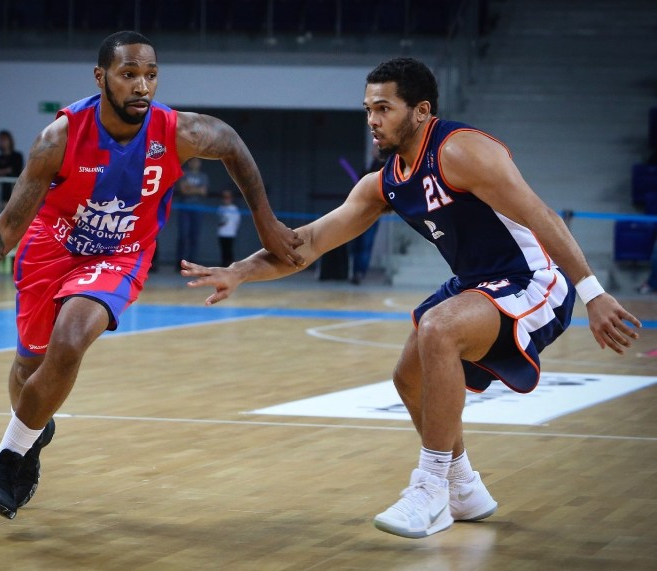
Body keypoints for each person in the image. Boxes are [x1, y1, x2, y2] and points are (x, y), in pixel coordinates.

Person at [182, 57, 641, 539]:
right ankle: (464, 486)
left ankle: (430, 489)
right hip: (477, 283)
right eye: (367, 109)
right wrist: (239, 271)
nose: (372, 120)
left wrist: (594, 293)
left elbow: (541, 214)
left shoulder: (463, 150)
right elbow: (306, 244)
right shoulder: (384, 183)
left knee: (439, 329)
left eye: (384, 108)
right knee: (408, 378)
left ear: (421, 111)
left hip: (533, 278)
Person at [0, 31, 303, 520]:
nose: (142, 86)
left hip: (122, 252)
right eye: (129, 74)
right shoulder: (60, 138)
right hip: (50, 249)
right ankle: (32, 433)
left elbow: (233, 146)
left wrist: (265, 221)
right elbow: (8, 226)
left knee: (70, 340)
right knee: (29, 371)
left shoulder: (179, 131)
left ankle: (5, 461)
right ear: (101, 77)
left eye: (150, 75)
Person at [349, 142, 387, 285]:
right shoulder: (370, 165)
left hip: (372, 212)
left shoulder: (382, 167)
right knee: (357, 243)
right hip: (359, 211)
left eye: (377, 148)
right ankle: (354, 271)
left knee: (365, 243)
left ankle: (359, 272)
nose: (374, 150)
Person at [0, 129, 24, 220]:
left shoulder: (17, 156)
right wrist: (6, 171)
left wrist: (0, 172)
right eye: (0, 140)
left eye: (4, 139)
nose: (2, 142)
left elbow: (16, 170)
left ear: (10, 140)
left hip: (12, 190)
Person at [176, 157, 208, 263]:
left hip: (198, 208)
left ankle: (192, 261)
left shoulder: (203, 176)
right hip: (184, 208)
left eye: (197, 161)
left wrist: (190, 188)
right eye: (193, 161)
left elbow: (203, 192)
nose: (195, 163)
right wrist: (197, 189)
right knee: (183, 235)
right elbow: (184, 190)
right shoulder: (184, 173)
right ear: (189, 162)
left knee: (194, 235)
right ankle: (179, 261)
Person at [217, 189, 241, 266]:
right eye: (224, 197)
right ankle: (224, 265)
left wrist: (234, 230)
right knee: (223, 250)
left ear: (231, 198)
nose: (226, 199)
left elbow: (237, 221)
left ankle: (230, 266)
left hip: (230, 233)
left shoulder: (234, 209)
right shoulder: (220, 208)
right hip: (221, 232)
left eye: (228, 197)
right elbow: (219, 219)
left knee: (229, 250)